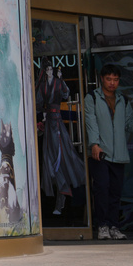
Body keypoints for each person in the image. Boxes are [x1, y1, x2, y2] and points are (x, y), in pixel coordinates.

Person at [84, 63, 133, 240]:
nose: (112, 83)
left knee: (116, 191)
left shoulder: (123, 100)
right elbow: (91, 122)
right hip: (100, 152)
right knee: (102, 188)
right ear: (102, 79)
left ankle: (114, 226)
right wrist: (94, 144)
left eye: (115, 80)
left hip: (119, 154)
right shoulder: (92, 97)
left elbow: (129, 125)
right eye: (109, 79)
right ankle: (102, 225)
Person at [36, 63, 85, 215]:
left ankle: (62, 196)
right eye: (48, 70)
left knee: (60, 157)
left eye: (51, 70)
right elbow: (38, 103)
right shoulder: (43, 85)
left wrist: (61, 79)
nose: (49, 72)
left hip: (57, 121)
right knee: (50, 159)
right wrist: (40, 118)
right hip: (48, 120)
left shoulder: (57, 82)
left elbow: (65, 94)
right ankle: (59, 196)